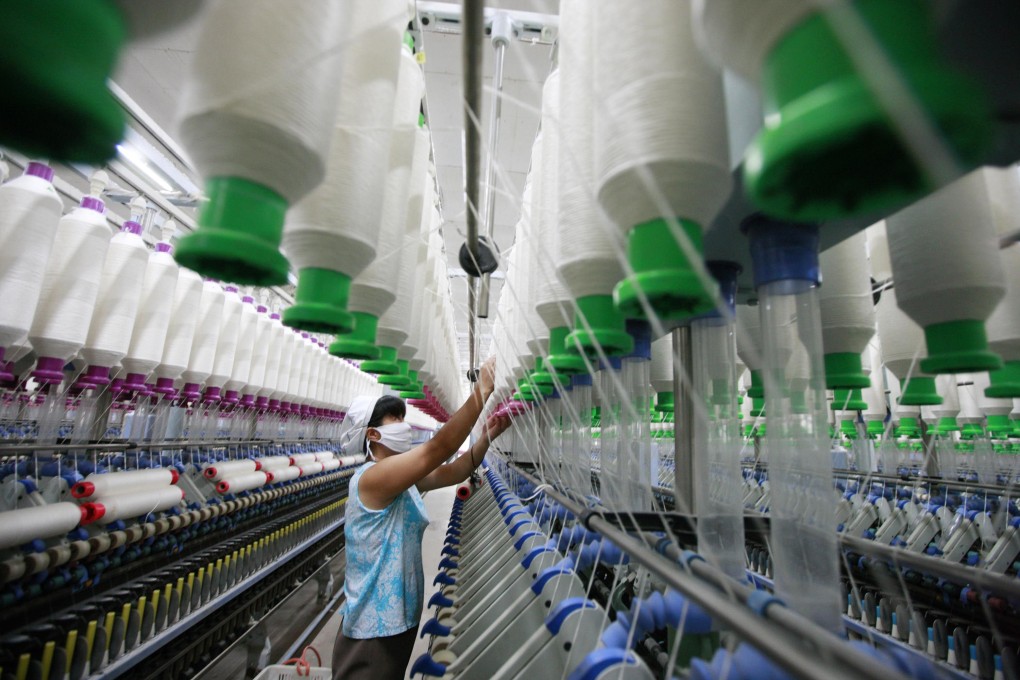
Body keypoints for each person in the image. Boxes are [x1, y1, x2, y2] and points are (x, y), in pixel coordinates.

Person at [331, 356, 510, 679]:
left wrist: (487, 437)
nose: (403, 424)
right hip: (373, 628)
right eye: (394, 419)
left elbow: (455, 470)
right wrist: (480, 392)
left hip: (397, 621)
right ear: (372, 435)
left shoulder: (400, 479)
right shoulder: (371, 479)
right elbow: (437, 449)